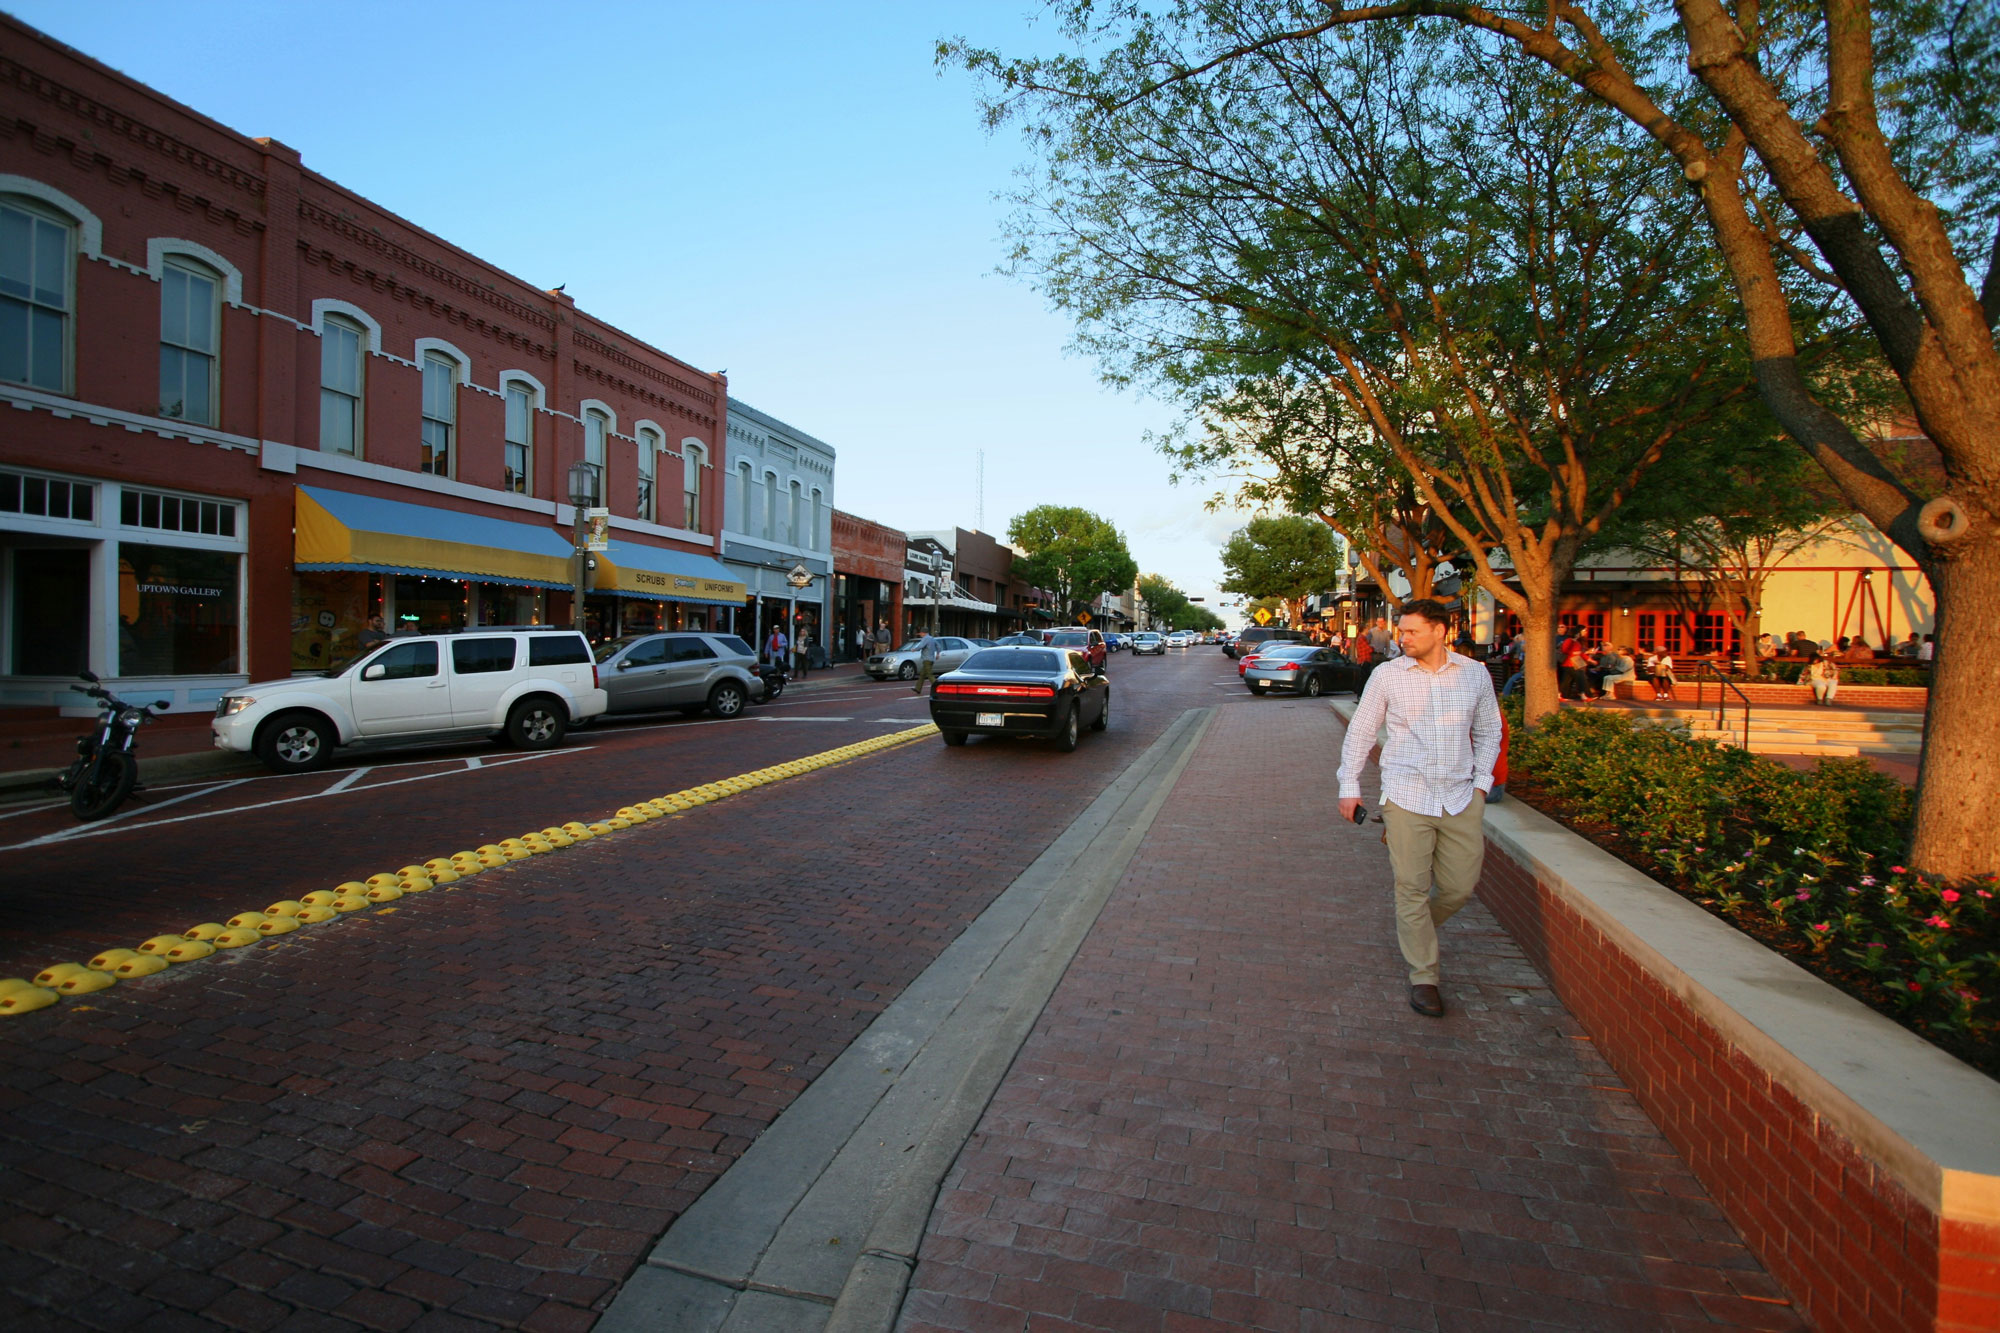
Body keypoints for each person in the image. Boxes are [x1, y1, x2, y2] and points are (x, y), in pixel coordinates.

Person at [1338, 599, 1502, 1019]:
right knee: (1410, 887)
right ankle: (1424, 976)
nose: (1402, 638)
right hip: (1406, 794)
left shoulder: (1475, 674)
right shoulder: (1387, 675)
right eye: (1401, 631)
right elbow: (1361, 731)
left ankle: (1415, 928)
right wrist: (1349, 785)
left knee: (1458, 888)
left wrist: (1482, 785)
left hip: (1461, 796)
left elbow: (1488, 732)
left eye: (1412, 631)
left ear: (1441, 631)